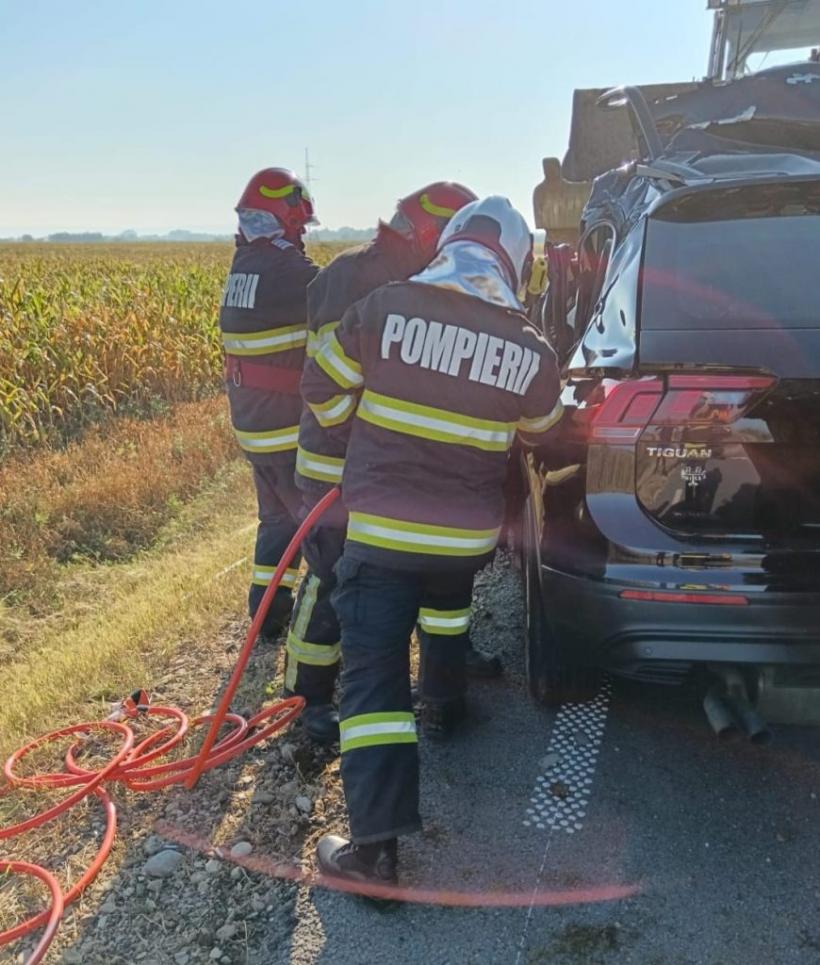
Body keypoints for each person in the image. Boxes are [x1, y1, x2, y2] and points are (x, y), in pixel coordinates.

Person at [302, 196, 564, 885]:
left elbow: (323, 394)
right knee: (447, 614)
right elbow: (544, 432)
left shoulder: (385, 307)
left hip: (383, 534)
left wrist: (367, 431)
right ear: (516, 265)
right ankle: (446, 704)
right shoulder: (529, 348)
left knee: (373, 681)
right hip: (463, 542)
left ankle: (376, 854)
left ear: (450, 245)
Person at [285, 183, 490, 746]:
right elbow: (331, 385)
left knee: (424, 566)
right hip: (338, 466)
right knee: (330, 577)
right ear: (430, 235)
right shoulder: (349, 280)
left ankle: (446, 667)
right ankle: (308, 699)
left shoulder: (428, 282)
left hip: (396, 469)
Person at [218, 168, 318, 642]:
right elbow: (342, 297)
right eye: (299, 227)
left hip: (255, 426)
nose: (301, 237)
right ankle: (313, 637)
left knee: (276, 520)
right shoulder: (286, 270)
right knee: (320, 533)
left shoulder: (243, 266)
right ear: (287, 218)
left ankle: (267, 616)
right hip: (286, 428)